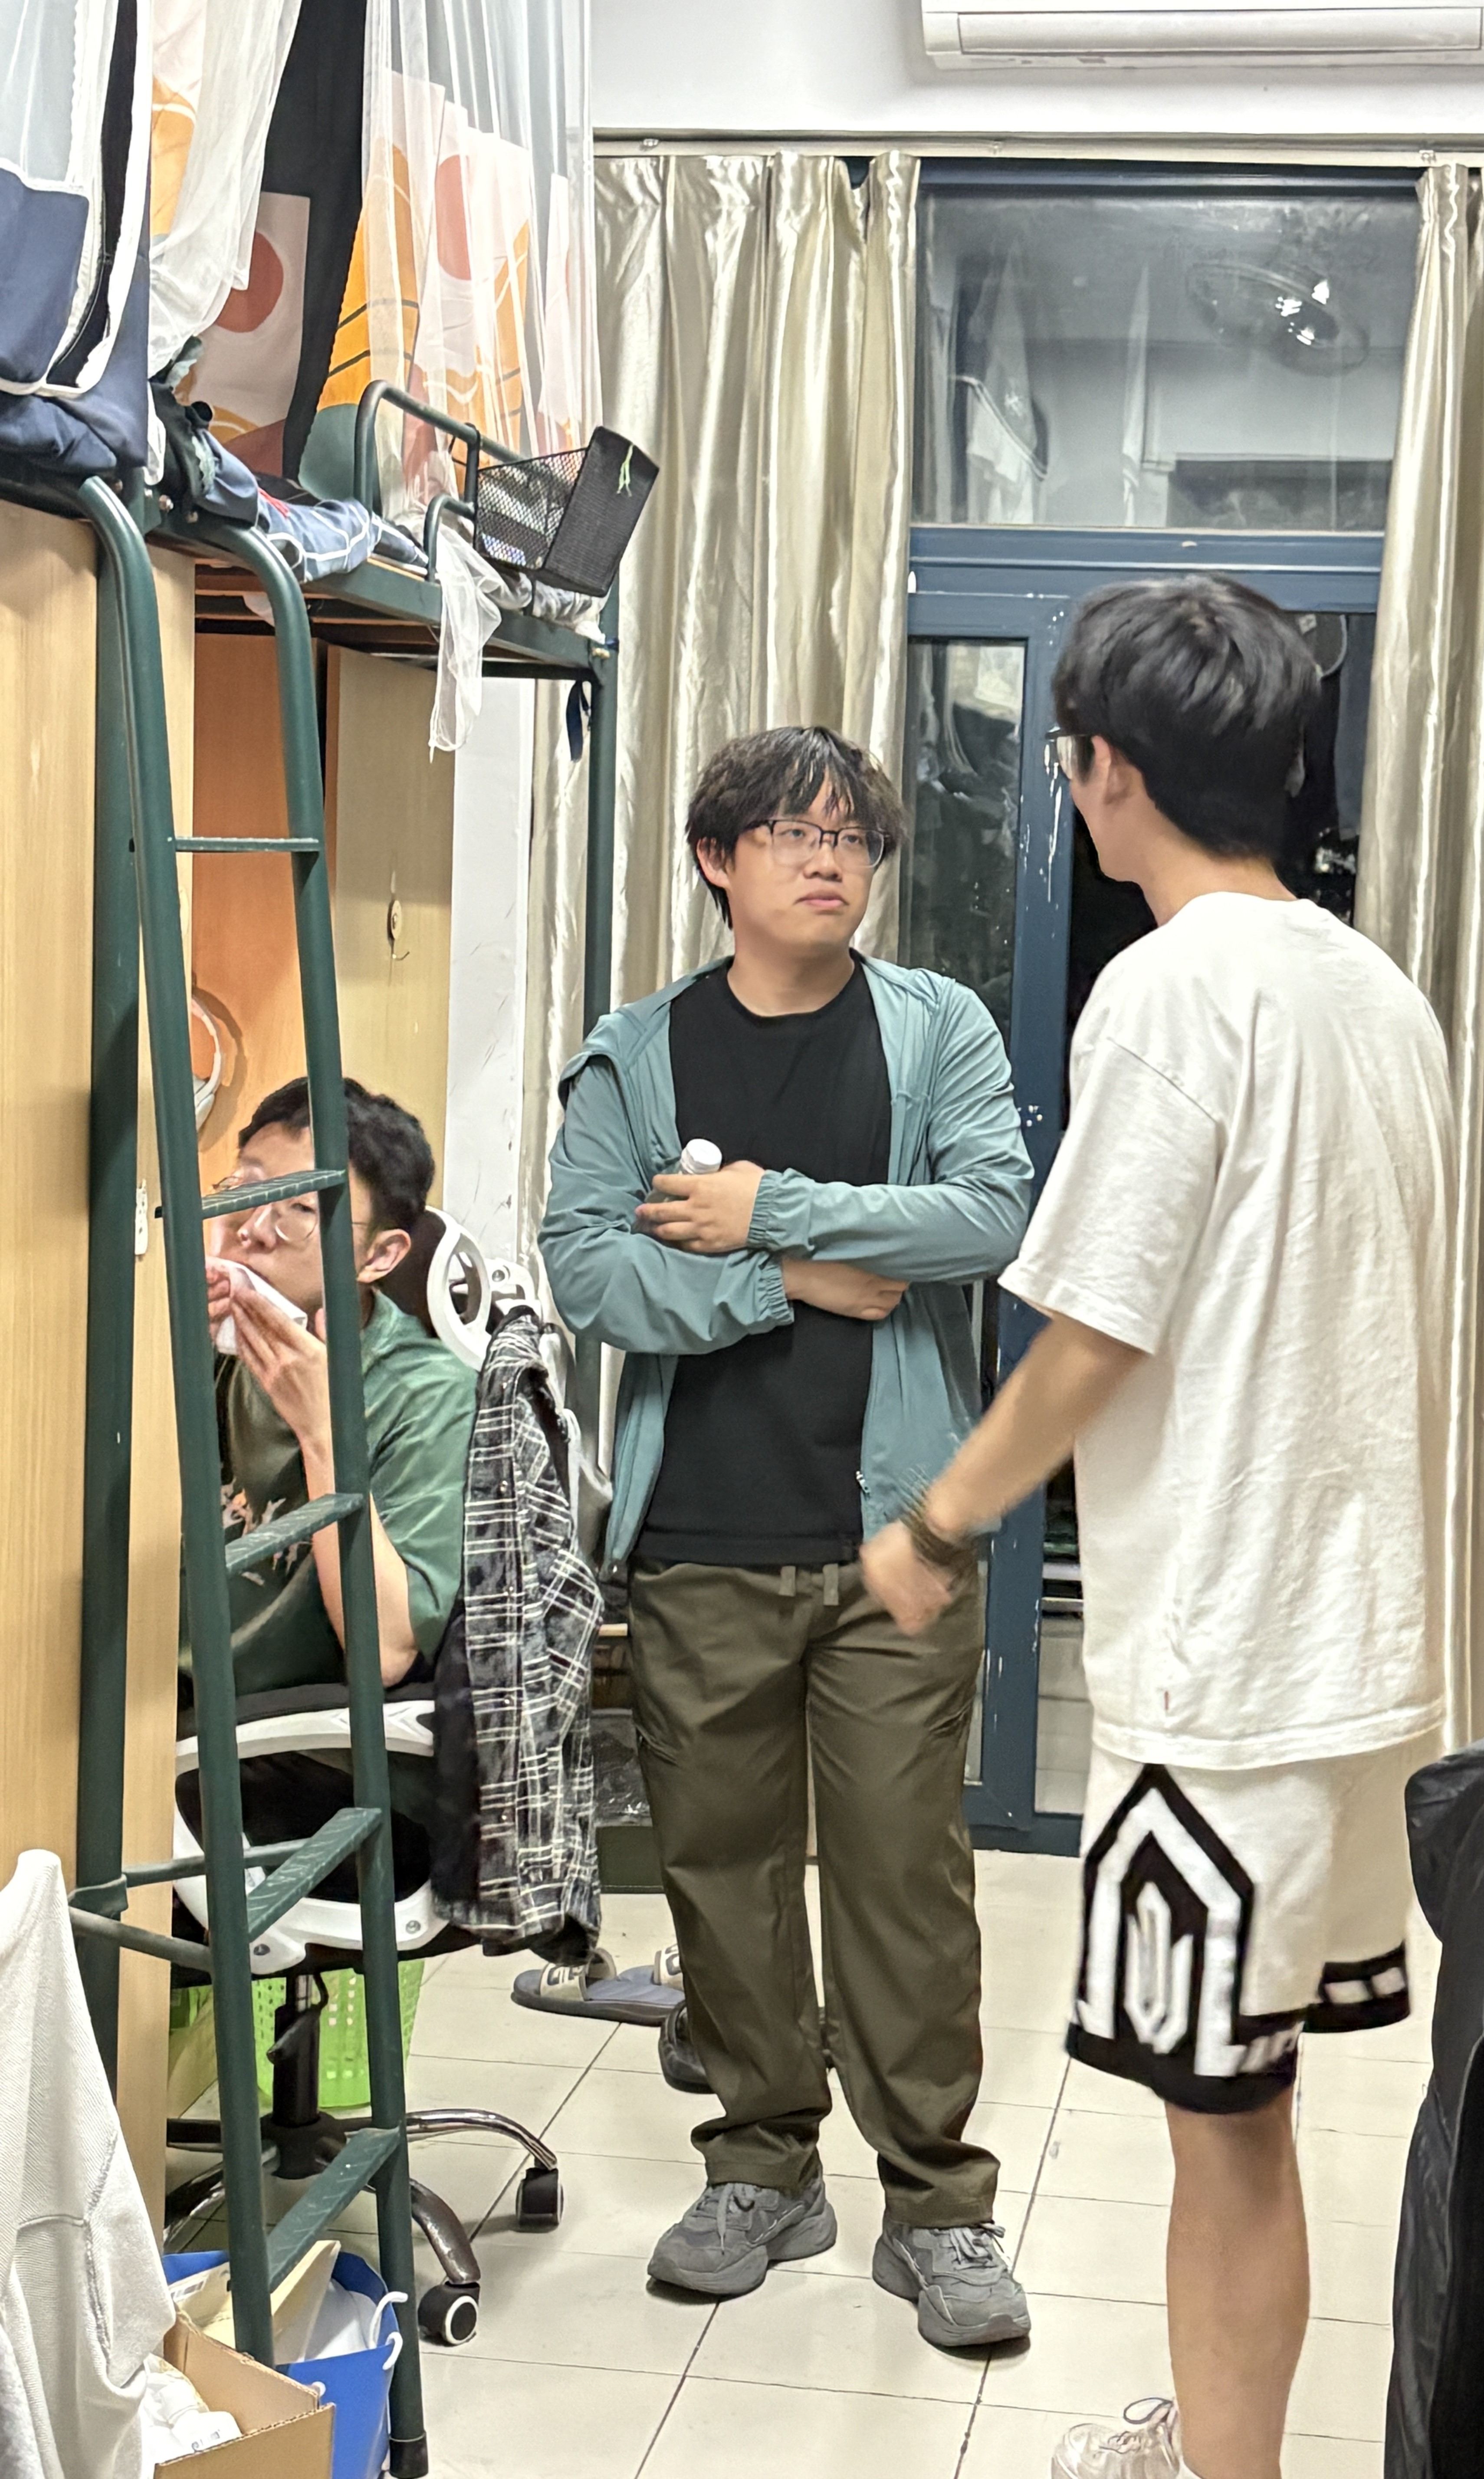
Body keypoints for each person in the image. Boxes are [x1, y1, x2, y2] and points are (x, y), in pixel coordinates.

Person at [862, 578, 1453, 2479]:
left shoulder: (1173, 991)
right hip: (1357, 1649)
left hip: (1226, 1662)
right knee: (1250, 2111)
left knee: (1226, 2131)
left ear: (1106, 768)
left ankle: (1221, 2467)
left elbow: (1095, 1328)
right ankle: (1218, 2437)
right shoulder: (1377, 992)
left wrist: (940, 1520)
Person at [540, 724, 1036, 2349]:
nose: (831, 862)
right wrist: (789, 1280)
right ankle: (762, 2165)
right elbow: (589, 1269)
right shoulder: (638, 1052)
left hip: (895, 1538)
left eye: (852, 839)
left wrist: (768, 1209)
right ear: (717, 859)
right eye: (792, 834)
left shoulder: (935, 1025)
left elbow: (990, 1217)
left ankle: (938, 2206)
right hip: (700, 1537)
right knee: (724, 1878)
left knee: (904, 1881)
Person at [181, 1078, 477, 1880]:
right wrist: (164, 1346)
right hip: (182, 1716)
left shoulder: (427, 1394)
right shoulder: (214, 1353)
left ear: (379, 1257)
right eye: (245, 1190)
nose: (251, 1229)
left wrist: (322, 1431)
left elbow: (384, 1652)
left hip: (328, 1763)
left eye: (297, 1211)